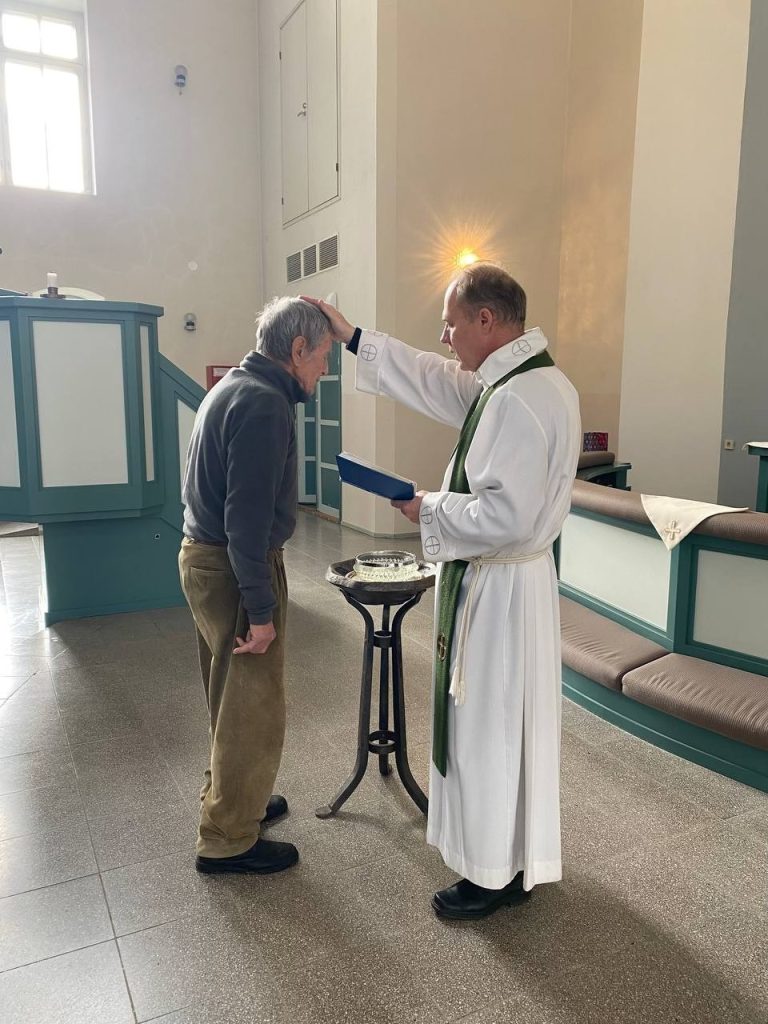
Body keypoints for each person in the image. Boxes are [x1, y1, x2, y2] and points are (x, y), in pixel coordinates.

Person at [305, 264, 581, 919]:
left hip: (501, 587)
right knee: (510, 726)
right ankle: (512, 859)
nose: (444, 335)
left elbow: (505, 515)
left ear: (487, 320)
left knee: (487, 728)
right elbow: (433, 377)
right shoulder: (529, 381)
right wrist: (353, 338)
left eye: (451, 322)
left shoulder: (515, 399)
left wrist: (427, 506)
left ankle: (490, 876)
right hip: (518, 583)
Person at [179, 296, 333, 874]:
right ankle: (227, 838)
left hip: (206, 559)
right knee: (252, 706)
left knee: (229, 694)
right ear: (298, 348)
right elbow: (245, 520)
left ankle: (236, 799)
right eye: (322, 356)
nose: (325, 369)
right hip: (234, 565)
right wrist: (261, 612)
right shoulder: (265, 403)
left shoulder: (234, 387)